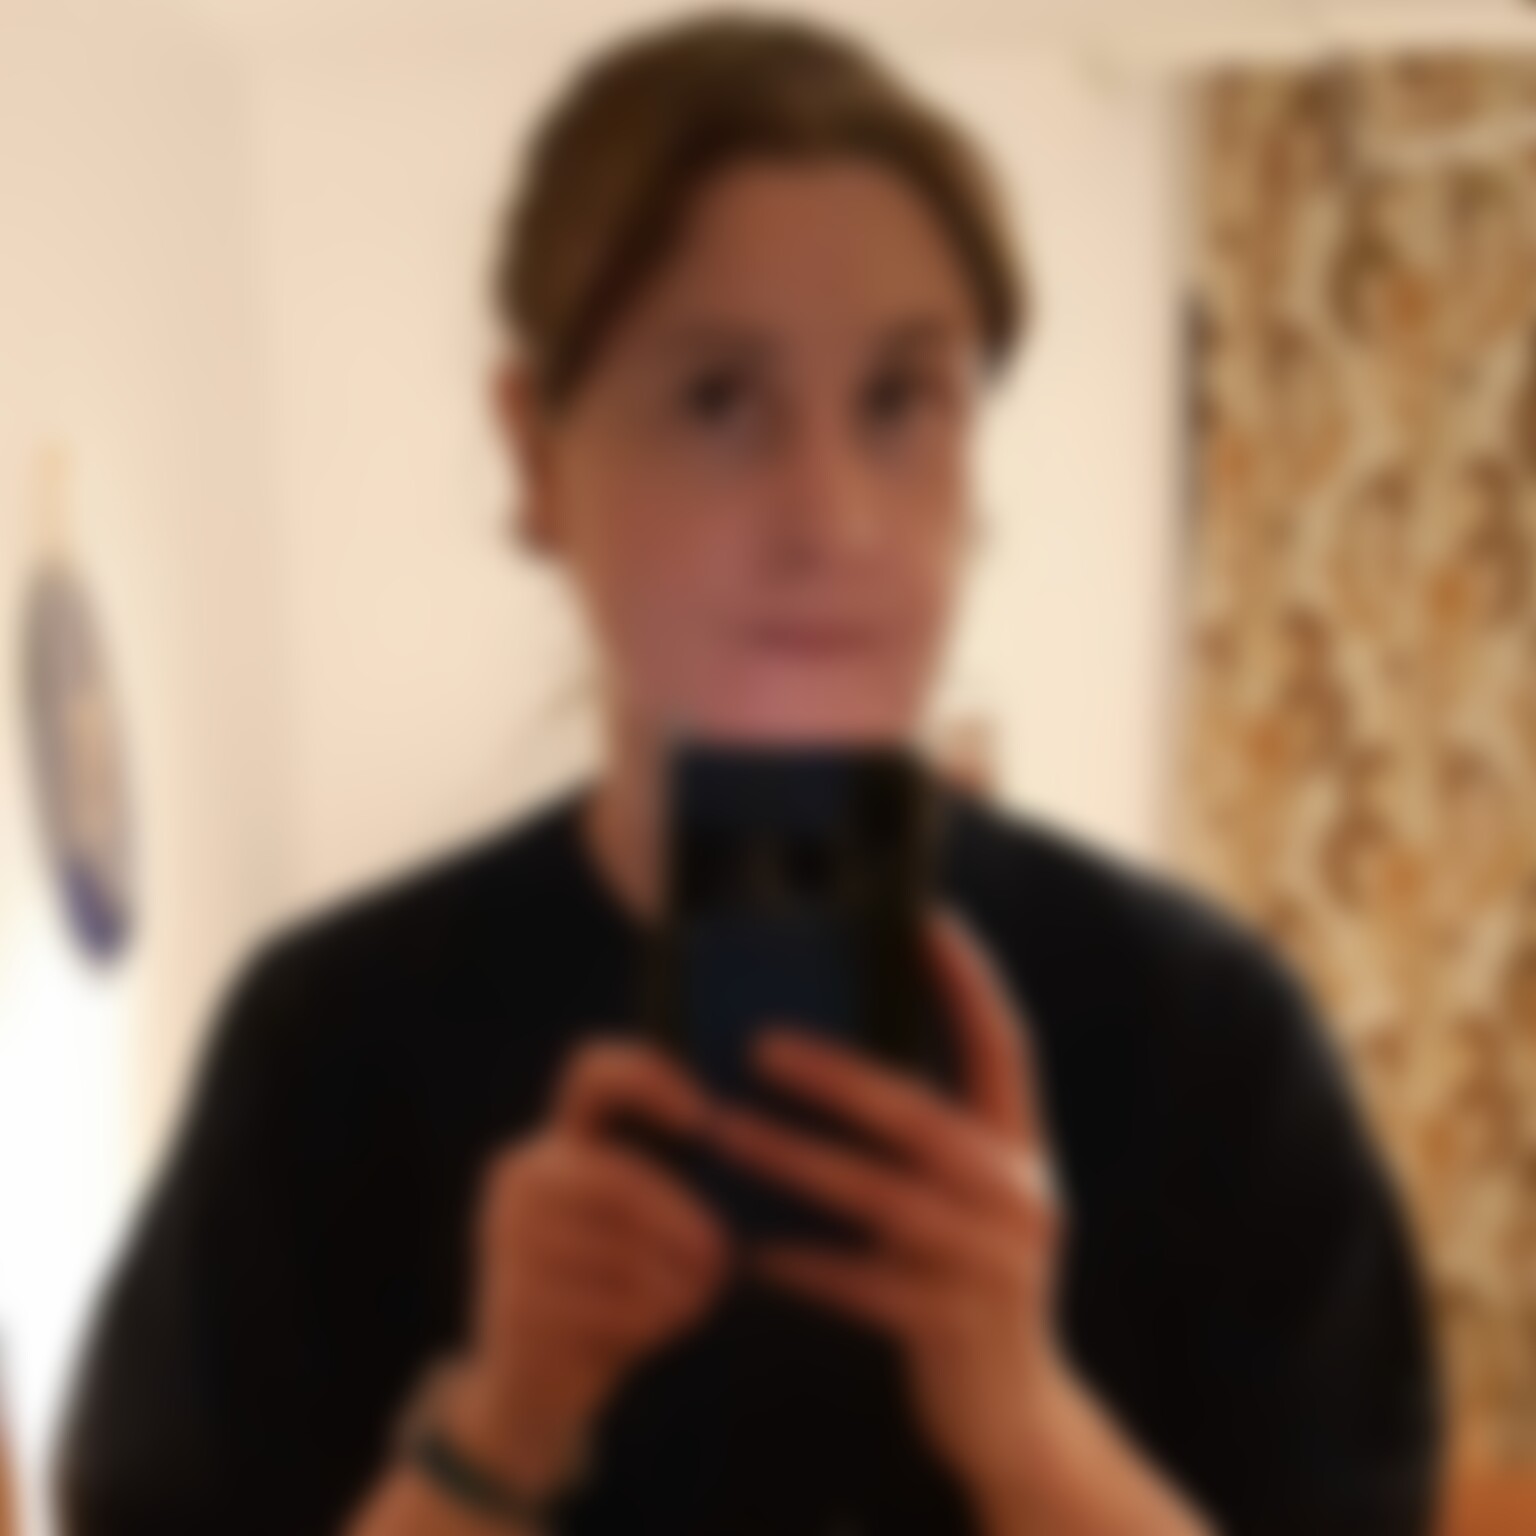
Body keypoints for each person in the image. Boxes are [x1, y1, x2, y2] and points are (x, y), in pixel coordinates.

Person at [52, 12, 1443, 1536]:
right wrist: (497, 1430)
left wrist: (1031, 1432)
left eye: (902, 401)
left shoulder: (1214, 1047)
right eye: (719, 400)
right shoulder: (324, 1057)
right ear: (535, 457)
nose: (835, 520)